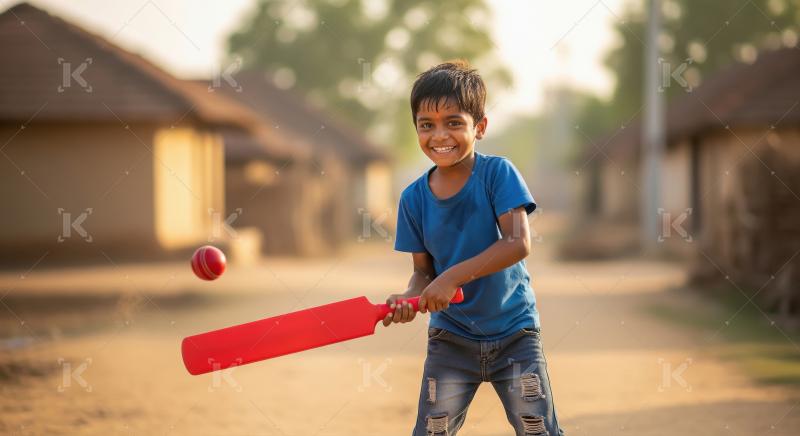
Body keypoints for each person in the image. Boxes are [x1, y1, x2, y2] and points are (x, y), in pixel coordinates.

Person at [383, 60, 565, 436]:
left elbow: (517, 243)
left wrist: (452, 277)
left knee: (538, 430)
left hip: (515, 333)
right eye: (426, 124)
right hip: (451, 339)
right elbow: (423, 273)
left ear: (479, 127)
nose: (439, 135)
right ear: (416, 127)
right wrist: (408, 298)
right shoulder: (413, 199)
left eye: (454, 122)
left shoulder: (498, 174)